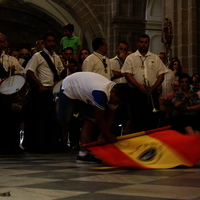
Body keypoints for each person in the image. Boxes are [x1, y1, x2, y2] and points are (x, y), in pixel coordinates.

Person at [57, 72, 130, 163]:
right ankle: (57, 98)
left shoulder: (115, 95)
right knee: (64, 119)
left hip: (86, 94)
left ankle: (83, 154)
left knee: (90, 120)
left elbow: (110, 116)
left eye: (119, 103)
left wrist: (103, 135)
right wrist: (108, 136)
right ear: (113, 92)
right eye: (116, 101)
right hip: (70, 87)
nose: (116, 104)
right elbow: (100, 119)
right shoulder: (101, 94)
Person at [24, 31, 64, 153]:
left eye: (53, 41)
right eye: (49, 41)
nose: (51, 43)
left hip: (54, 90)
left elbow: (60, 71)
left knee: (53, 118)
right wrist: (40, 85)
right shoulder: (38, 56)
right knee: (42, 118)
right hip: (43, 90)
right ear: (44, 43)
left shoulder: (56, 57)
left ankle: (52, 144)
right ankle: (40, 145)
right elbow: (29, 71)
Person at [121, 33, 168, 132]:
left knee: (152, 119)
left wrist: (154, 87)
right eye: (141, 42)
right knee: (136, 120)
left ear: (149, 44)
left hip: (152, 92)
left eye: (146, 42)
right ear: (138, 43)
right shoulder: (131, 58)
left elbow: (161, 74)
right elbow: (127, 74)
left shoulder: (155, 58)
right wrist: (138, 86)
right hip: (136, 92)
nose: (143, 44)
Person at [0, 33, 25, 154]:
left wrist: (14, 72)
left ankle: (11, 146)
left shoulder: (10, 59)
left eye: (2, 42)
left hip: (8, 95)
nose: (1, 44)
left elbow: (22, 73)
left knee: (10, 120)